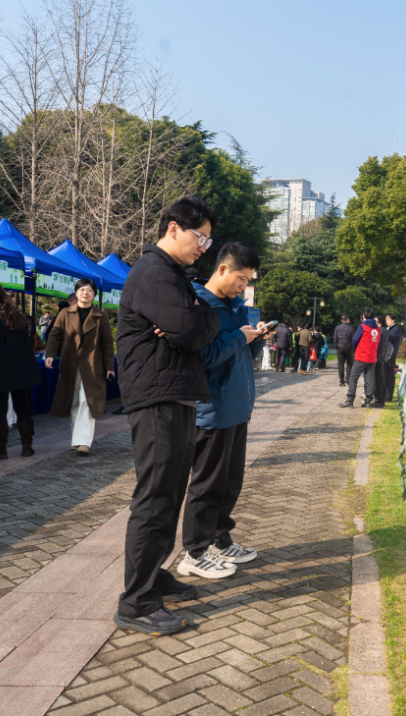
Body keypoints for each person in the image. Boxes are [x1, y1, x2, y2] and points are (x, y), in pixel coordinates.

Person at [115, 196, 221, 636]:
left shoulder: (173, 274)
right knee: (155, 497)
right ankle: (135, 603)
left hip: (174, 393)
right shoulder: (155, 272)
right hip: (157, 396)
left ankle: (153, 575)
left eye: (209, 242)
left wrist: (198, 317)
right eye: (200, 238)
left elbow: (201, 324)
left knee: (171, 493)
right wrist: (195, 321)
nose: (204, 248)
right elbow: (190, 331)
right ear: (174, 228)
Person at [178, 242, 264, 579]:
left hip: (237, 407)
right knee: (207, 483)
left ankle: (219, 539)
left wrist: (250, 336)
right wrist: (239, 339)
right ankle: (194, 552)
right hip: (213, 410)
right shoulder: (200, 304)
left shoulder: (235, 307)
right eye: (242, 279)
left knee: (230, 481)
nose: (244, 286)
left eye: (248, 281)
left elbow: (234, 348)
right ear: (223, 270)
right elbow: (204, 356)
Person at [44, 279, 115, 456]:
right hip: (70, 364)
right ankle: (77, 440)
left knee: (87, 400)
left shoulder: (101, 316)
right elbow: (55, 335)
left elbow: (107, 343)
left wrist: (109, 366)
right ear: (76, 293)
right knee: (74, 401)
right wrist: (50, 354)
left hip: (93, 365)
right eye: (82, 289)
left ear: (94, 294)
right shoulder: (65, 314)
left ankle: (83, 442)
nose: (85, 292)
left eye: (89, 290)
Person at [0, 281, 42, 459]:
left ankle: (0, 449)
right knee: (23, 409)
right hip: (22, 370)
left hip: (0, 371)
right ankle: (27, 447)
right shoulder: (16, 315)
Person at [339, 309, 380, 408]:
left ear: (364, 317)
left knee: (353, 377)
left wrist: (355, 351)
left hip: (361, 356)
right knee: (370, 379)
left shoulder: (363, 326)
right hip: (372, 357)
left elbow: (355, 340)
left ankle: (350, 399)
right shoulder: (377, 329)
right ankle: (368, 401)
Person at [384, 314, 402, 402]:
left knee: (390, 375)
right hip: (387, 355)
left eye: (388, 319)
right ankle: (385, 394)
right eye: (386, 319)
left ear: (393, 320)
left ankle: (389, 395)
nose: (386, 321)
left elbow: (389, 338)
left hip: (391, 355)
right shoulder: (389, 329)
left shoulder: (396, 329)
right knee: (386, 374)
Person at [372, 317, 389, 407]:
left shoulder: (381, 333)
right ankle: (379, 399)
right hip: (380, 359)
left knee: (378, 380)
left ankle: (379, 400)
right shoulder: (382, 332)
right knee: (379, 379)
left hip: (378, 359)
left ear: (379, 324)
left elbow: (379, 348)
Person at [333, 316, 354, 387]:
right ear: (348, 320)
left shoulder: (337, 328)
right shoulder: (351, 328)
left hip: (340, 347)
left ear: (341, 320)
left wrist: (336, 346)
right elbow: (353, 339)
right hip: (348, 347)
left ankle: (341, 381)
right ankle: (347, 378)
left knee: (341, 364)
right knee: (349, 364)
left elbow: (335, 338)